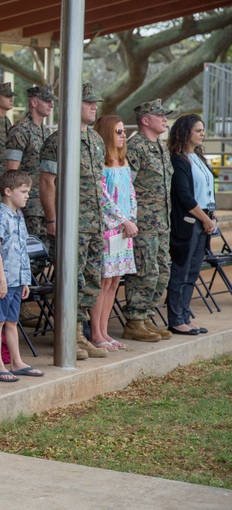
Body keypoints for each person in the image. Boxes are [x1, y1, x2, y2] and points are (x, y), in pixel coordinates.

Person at [38, 83, 109, 359]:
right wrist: (53, 219)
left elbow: (98, 185)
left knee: (91, 279)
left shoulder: (95, 141)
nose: (93, 106)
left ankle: (80, 333)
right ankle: (67, 335)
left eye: (94, 102)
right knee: (71, 279)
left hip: (94, 223)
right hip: (71, 225)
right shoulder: (58, 140)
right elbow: (47, 182)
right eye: (87, 102)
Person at [122, 100, 177, 342]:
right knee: (145, 272)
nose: (165, 119)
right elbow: (126, 187)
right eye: (160, 115)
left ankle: (146, 316)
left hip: (162, 223)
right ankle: (134, 320)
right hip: (143, 225)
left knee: (163, 271)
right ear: (145, 120)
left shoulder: (161, 147)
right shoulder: (136, 147)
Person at [91, 115, 138, 351]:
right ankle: (96, 333)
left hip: (124, 230)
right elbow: (103, 197)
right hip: (109, 228)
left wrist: (132, 221)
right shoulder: (100, 162)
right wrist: (122, 221)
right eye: (118, 131)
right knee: (103, 280)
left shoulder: (124, 162)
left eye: (123, 131)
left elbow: (131, 194)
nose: (123, 136)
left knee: (114, 281)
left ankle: (105, 331)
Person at [0, 170, 39, 383]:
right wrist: (2, 279)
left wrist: (25, 279)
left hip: (17, 279)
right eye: (23, 191)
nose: (27, 195)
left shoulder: (18, 216)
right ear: (8, 192)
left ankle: (16, 361)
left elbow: (22, 249)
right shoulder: (1, 216)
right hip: (4, 281)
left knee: (11, 321)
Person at [166, 114, 214, 336]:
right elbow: (184, 196)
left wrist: (211, 218)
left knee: (193, 271)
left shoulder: (199, 159)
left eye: (203, 130)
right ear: (185, 132)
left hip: (204, 220)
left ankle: (185, 316)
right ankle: (176, 320)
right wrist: (204, 219)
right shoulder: (179, 159)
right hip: (188, 221)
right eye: (197, 130)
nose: (202, 133)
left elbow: (208, 193)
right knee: (181, 270)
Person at [6, 85, 54, 250]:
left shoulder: (46, 132)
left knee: (45, 254)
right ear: (34, 102)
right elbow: (11, 173)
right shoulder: (20, 131)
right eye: (47, 101)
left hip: (46, 203)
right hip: (29, 205)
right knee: (30, 254)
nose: (51, 105)